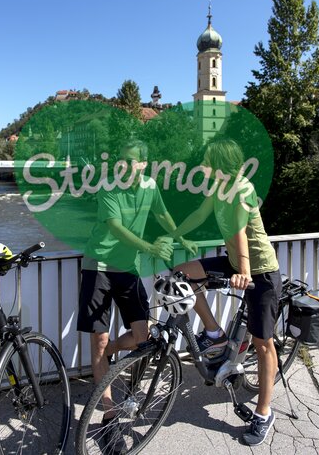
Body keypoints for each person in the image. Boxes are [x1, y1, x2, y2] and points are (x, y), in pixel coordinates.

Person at [78, 139, 192, 454]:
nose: (125, 166)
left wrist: (181, 237)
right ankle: (109, 415)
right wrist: (150, 247)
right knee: (98, 341)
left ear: (143, 164)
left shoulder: (150, 186)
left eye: (131, 161)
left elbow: (163, 214)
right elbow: (115, 228)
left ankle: (112, 353)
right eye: (122, 160)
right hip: (98, 267)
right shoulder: (109, 187)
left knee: (144, 338)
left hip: (128, 269)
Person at [168, 138, 281, 447]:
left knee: (263, 344)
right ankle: (215, 332)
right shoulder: (218, 188)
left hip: (260, 272)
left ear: (220, 164)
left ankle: (263, 413)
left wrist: (244, 272)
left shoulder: (241, 189)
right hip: (235, 263)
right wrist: (172, 234)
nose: (202, 167)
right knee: (182, 273)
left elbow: (239, 233)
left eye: (207, 162)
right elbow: (199, 217)